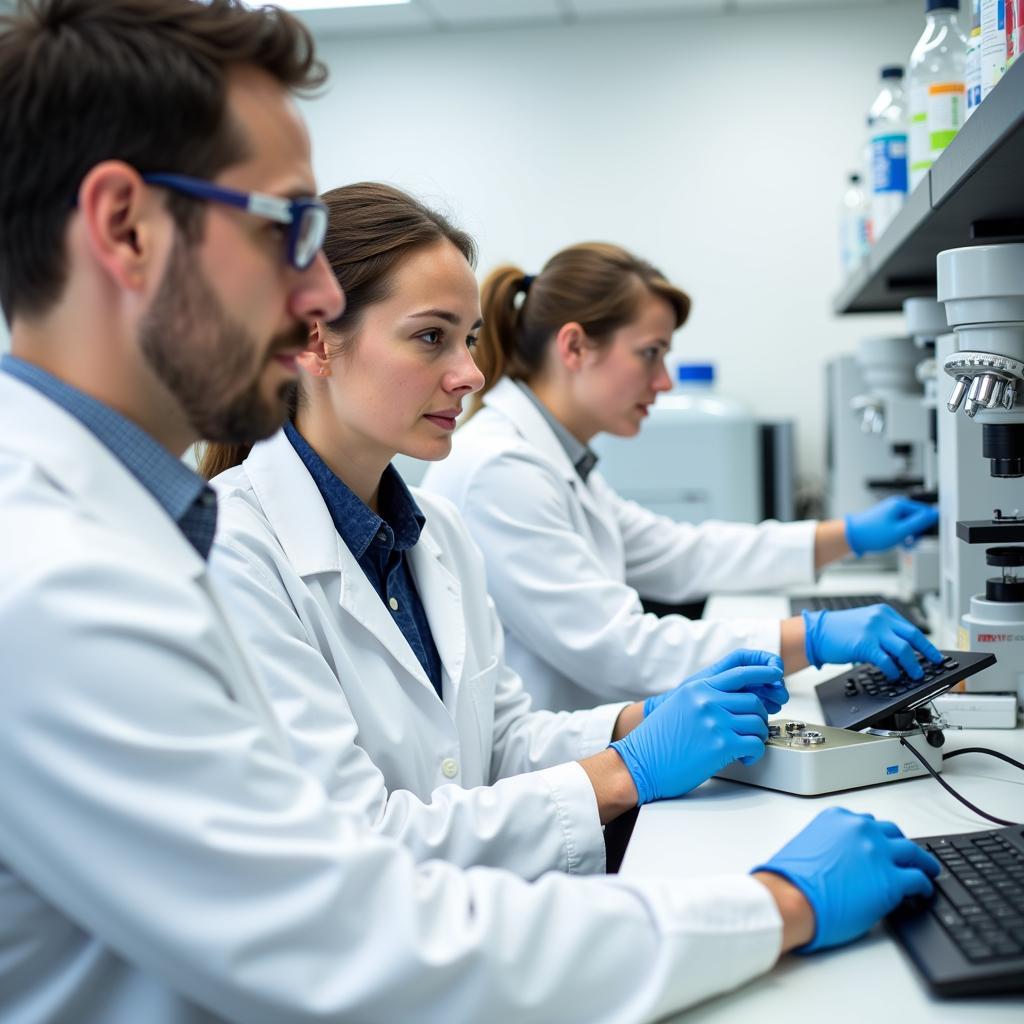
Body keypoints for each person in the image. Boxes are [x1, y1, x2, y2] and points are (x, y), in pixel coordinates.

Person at [0, 3, 940, 1021]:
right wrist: (771, 902)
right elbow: (351, 928)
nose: (315, 291)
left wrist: (640, 735)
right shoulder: (54, 578)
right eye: (287, 227)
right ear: (124, 226)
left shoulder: (175, 528)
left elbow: (474, 753)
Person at [199, 181, 792, 880]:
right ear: (316, 342)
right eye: (431, 338)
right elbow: (356, 839)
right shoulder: (234, 553)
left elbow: (501, 741)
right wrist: (623, 773)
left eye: (470, 340)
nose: (471, 374)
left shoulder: (435, 534)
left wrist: (638, 722)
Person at [421, 243, 943, 712]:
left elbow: (682, 553)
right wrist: (809, 637)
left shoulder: (553, 459)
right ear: (575, 347)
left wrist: (846, 535)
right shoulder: (501, 469)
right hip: (543, 776)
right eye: (650, 353)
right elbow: (619, 648)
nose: (665, 381)